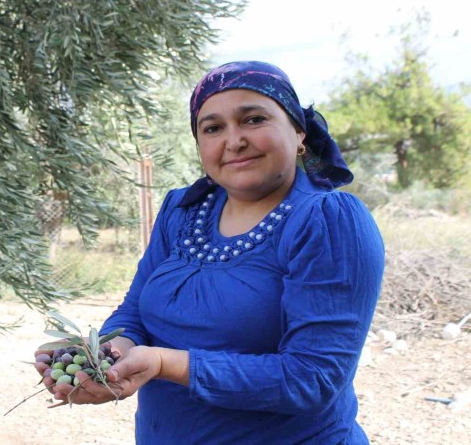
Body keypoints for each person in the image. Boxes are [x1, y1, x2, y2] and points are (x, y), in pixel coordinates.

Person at [34, 61, 385, 444]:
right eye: (213, 128)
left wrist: (163, 362)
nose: (234, 141)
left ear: (298, 131)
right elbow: (135, 310)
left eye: (254, 119)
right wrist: (109, 353)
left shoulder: (327, 221)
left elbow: (312, 379)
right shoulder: (182, 210)